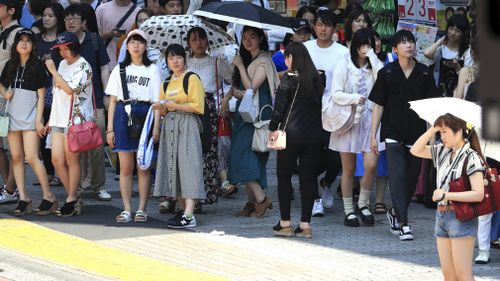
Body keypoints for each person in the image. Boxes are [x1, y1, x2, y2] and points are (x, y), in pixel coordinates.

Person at [369, 30, 440, 240]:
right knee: (398, 177)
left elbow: (430, 109)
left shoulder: (424, 73)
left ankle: (395, 212)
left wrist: (432, 136)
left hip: (417, 134)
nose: (408, 45)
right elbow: (378, 106)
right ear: (395, 49)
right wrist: (373, 135)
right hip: (392, 132)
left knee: (410, 179)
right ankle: (404, 223)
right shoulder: (387, 72)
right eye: (403, 42)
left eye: (411, 42)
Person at [410, 114, 485, 281]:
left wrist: (446, 194)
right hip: (442, 214)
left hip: (461, 216)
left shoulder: (471, 157)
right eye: (440, 133)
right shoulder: (442, 152)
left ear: (458, 132)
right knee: (448, 274)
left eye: (445, 132)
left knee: (462, 274)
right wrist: (433, 128)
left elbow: (478, 193)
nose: (441, 136)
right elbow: (415, 150)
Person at [270, 42, 324, 238]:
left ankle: (285, 223)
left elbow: (279, 108)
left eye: (287, 57)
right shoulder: (318, 78)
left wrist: (272, 128)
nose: (285, 61)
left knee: (284, 177)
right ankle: (305, 225)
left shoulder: (289, 79)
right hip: (314, 136)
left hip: (290, 135)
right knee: (308, 179)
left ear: (292, 58)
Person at [106, 29, 160, 223]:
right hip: (123, 113)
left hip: (145, 114)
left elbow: (156, 101)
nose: (136, 45)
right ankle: (127, 208)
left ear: (145, 46)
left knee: (143, 166)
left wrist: (156, 127)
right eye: (132, 42)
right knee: (126, 167)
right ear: (126, 47)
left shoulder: (152, 69)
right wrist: (110, 128)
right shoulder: (120, 69)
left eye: (140, 42)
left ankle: (142, 209)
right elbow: (112, 101)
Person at [330, 28, 383, 227]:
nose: (365, 48)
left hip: (370, 120)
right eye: (362, 44)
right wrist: (354, 98)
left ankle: (363, 203)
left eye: (369, 44)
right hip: (349, 119)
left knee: (371, 164)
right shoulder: (344, 64)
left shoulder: (374, 66)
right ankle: (348, 210)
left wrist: (373, 57)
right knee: (349, 168)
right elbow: (335, 93)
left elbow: (382, 80)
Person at [0, 29, 56, 216]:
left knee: (31, 157)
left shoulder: (37, 66)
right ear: (16, 44)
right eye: (21, 40)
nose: (24, 43)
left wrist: (39, 120)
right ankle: (24, 197)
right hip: (12, 118)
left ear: (33, 45)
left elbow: (41, 96)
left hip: (30, 118)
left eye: (28, 41)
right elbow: (1, 84)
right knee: (15, 157)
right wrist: (4, 93)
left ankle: (49, 196)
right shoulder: (10, 65)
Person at [225, 26, 279, 218]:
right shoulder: (252, 59)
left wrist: (239, 65)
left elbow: (251, 88)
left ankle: (263, 200)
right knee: (249, 157)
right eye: (245, 37)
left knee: (243, 158)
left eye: (252, 37)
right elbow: (243, 89)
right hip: (246, 115)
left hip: (256, 117)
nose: (248, 41)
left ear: (260, 39)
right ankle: (253, 202)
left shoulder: (263, 60)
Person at [152, 43, 206, 228]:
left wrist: (173, 106)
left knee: (189, 167)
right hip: (170, 127)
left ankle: (190, 214)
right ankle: (184, 212)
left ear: (185, 59)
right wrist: (158, 120)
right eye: (171, 58)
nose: (175, 61)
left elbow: (198, 106)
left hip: (188, 125)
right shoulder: (166, 82)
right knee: (173, 169)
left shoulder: (191, 79)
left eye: (178, 57)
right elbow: (163, 107)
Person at [64, 4, 112, 200]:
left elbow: (104, 68)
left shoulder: (94, 40)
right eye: (67, 18)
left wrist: (107, 95)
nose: (71, 22)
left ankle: (98, 184)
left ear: (83, 22)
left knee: (97, 144)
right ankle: (81, 182)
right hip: (72, 105)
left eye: (75, 18)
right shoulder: (63, 44)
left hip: (95, 101)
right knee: (76, 146)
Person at [304, 8, 348, 217]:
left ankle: (327, 181)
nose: (323, 29)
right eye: (319, 24)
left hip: (334, 110)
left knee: (335, 158)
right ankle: (314, 199)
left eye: (327, 25)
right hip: (309, 110)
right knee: (309, 155)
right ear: (314, 27)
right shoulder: (305, 49)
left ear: (334, 28)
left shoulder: (342, 52)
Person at [45, 31, 94, 217]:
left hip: (75, 119)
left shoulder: (84, 66)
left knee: (72, 159)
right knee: (56, 159)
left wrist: (54, 72)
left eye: (65, 48)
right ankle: (73, 197)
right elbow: (58, 94)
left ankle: (71, 198)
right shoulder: (62, 64)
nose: (63, 52)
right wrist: (50, 119)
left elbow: (69, 89)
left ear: (75, 47)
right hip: (58, 117)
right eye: (60, 49)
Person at [186, 26, 234, 206]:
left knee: (207, 152)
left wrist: (225, 100)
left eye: (201, 38)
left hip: (209, 108)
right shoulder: (184, 63)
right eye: (194, 39)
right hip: (189, 108)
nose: (198, 43)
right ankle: (190, 196)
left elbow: (232, 81)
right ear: (189, 43)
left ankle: (205, 193)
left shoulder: (216, 61)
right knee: (190, 153)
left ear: (208, 41)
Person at [34, 2, 66, 188]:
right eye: (45, 15)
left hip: (59, 91)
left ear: (58, 18)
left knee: (56, 131)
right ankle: (47, 172)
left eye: (51, 16)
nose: (46, 19)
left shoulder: (62, 41)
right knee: (42, 130)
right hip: (40, 90)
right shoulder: (37, 40)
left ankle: (59, 172)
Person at [0, 0, 23, 205]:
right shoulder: (2, 31)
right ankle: (9, 188)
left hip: (9, 96)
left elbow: (19, 66)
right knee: (0, 142)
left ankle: (10, 188)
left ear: (11, 10)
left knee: (12, 144)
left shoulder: (19, 34)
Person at [424, 14, 470, 97]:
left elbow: (468, 79)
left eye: (457, 31)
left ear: (463, 33)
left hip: (458, 95)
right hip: (439, 93)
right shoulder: (441, 49)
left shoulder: (467, 52)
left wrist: (457, 68)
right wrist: (440, 41)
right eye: (451, 28)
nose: (453, 33)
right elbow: (427, 53)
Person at [96, 0, 140, 70]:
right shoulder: (101, 9)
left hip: (129, 64)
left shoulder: (139, 12)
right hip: (105, 65)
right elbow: (95, 37)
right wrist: (110, 34)